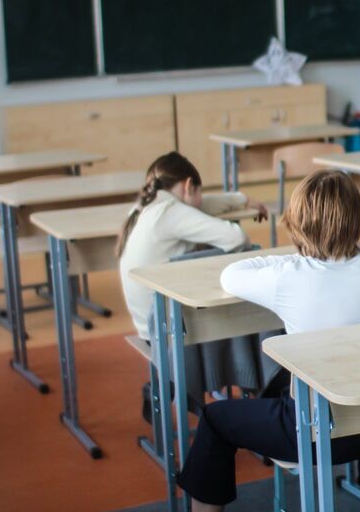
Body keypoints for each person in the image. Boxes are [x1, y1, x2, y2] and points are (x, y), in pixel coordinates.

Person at [177, 169, 360, 512]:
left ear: (298, 224)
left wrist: (290, 259)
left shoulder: (287, 276)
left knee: (216, 419)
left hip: (313, 433)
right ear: (356, 219)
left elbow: (230, 276)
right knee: (328, 373)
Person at [117, 151, 274, 416]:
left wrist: (241, 200)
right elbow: (236, 238)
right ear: (189, 185)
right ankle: (260, 386)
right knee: (244, 299)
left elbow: (200, 205)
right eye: (199, 192)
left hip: (150, 321)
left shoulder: (150, 206)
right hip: (165, 329)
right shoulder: (171, 213)